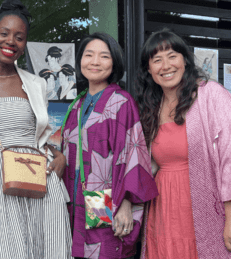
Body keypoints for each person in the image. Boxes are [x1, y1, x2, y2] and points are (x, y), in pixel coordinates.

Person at [0, 0, 73, 258]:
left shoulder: (36, 83)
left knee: (49, 248)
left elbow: (40, 133)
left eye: (19, 37)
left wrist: (58, 154)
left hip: (40, 179)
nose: (11, 42)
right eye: (4, 33)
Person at [61, 32, 158, 259]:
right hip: (74, 197)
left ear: (114, 62)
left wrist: (126, 202)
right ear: (80, 61)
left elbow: (134, 155)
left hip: (103, 196)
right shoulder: (77, 103)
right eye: (89, 55)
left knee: (103, 248)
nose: (95, 62)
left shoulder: (121, 102)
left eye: (104, 56)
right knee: (77, 250)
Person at [136, 28, 231, 259]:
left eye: (172, 56)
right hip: (162, 211)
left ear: (185, 61)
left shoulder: (211, 95)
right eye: (157, 60)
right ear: (149, 69)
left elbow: (229, 157)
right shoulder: (151, 109)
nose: (166, 65)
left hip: (204, 207)